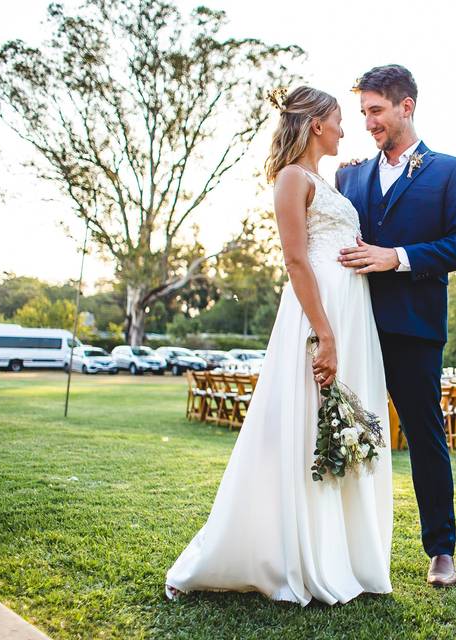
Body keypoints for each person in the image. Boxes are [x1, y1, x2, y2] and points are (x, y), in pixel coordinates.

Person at [164, 87, 393, 606]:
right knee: (306, 426)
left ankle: (341, 555)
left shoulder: (326, 179)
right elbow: (296, 261)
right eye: (338, 120)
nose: (344, 128)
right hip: (319, 316)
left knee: (339, 425)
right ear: (316, 125)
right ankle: (283, 555)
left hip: (351, 313)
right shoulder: (292, 178)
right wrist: (325, 333)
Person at [336, 65, 456, 588]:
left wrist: (395, 256)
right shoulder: (347, 176)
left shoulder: (449, 171)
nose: (368, 122)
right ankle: (339, 543)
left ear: (406, 106)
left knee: (424, 436)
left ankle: (441, 550)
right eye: (364, 112)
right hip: (352, 324)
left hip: (414, 329)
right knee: (343, 429)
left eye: (376, 110)